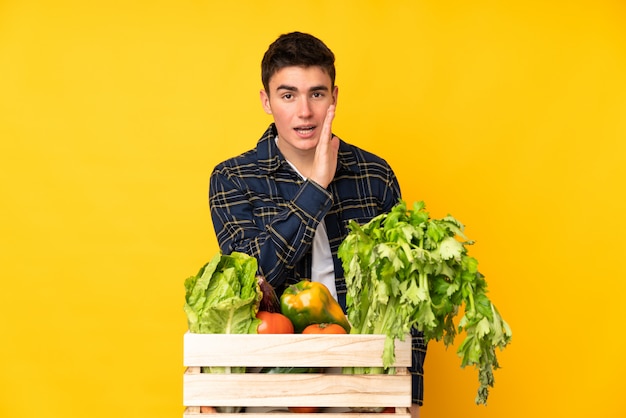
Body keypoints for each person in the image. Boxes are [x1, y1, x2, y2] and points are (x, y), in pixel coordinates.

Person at [209, 31, 426, 416]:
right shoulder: (233, 178)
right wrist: (316, 187)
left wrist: (407, 395)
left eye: (317, 93)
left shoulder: (373, 175)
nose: (304, 112)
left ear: (334, 98)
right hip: (270, 375)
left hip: (360, 375)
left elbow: (407, 291)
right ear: (267, 101)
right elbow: (257, 280)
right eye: (288, 95)